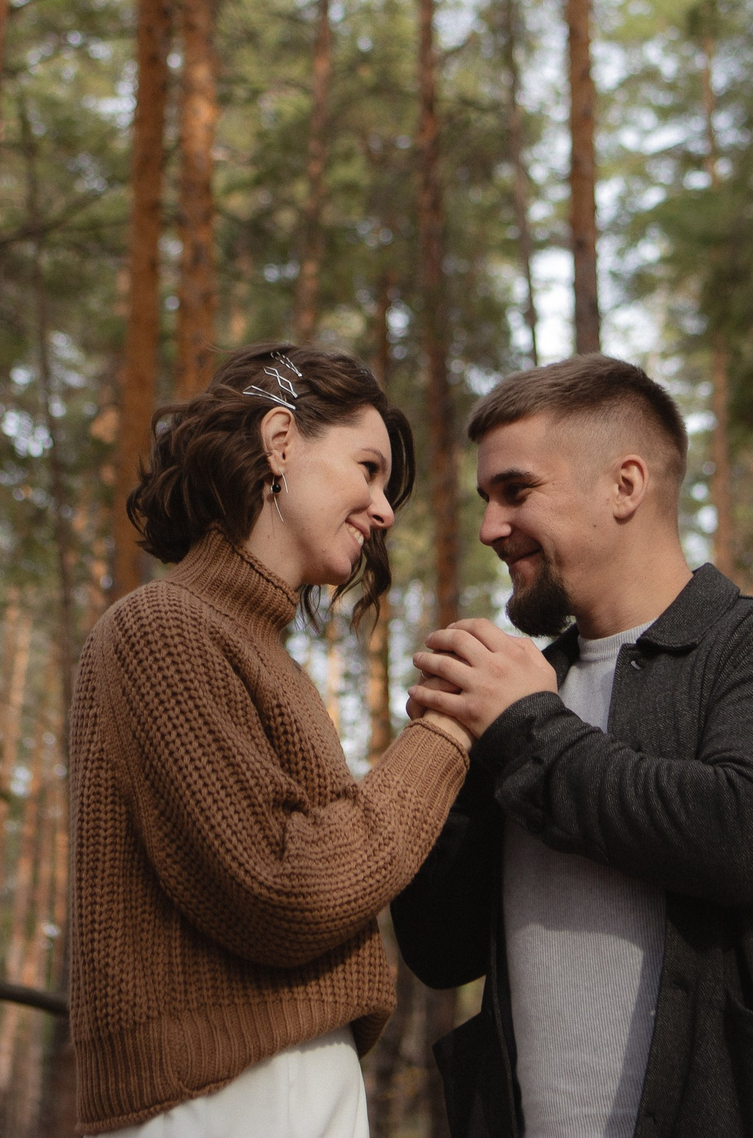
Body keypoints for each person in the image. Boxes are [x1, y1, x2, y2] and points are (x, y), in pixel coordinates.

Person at [394, 355, 753, 1138]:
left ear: (626, 485)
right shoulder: (524, 691)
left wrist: (522, 729)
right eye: (485, 499)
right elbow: (440, 950)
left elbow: (740, 835)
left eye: (517, 490)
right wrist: (445, 756)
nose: (488, 528)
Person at [69, 342, 473, 1137]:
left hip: (279, 1084)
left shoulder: (253, 648)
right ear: (281, 441)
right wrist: (449, 733)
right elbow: (286, 888)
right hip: (230, 1094)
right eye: (368, 467)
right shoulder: (163, 627)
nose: (385, 509)